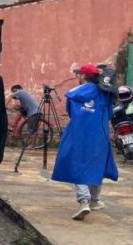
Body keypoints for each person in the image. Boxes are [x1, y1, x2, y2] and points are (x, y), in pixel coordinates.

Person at [51, 63, 118, 220]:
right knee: (97, 165)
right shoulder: (106, 93)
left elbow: (70, 112)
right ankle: (95, 200)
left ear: (83, 76)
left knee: (77, 164)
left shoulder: (74, 93)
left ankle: (84, 201)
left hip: (78, 134)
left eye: (79, 74)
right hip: (99, 135)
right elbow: (109, 114)